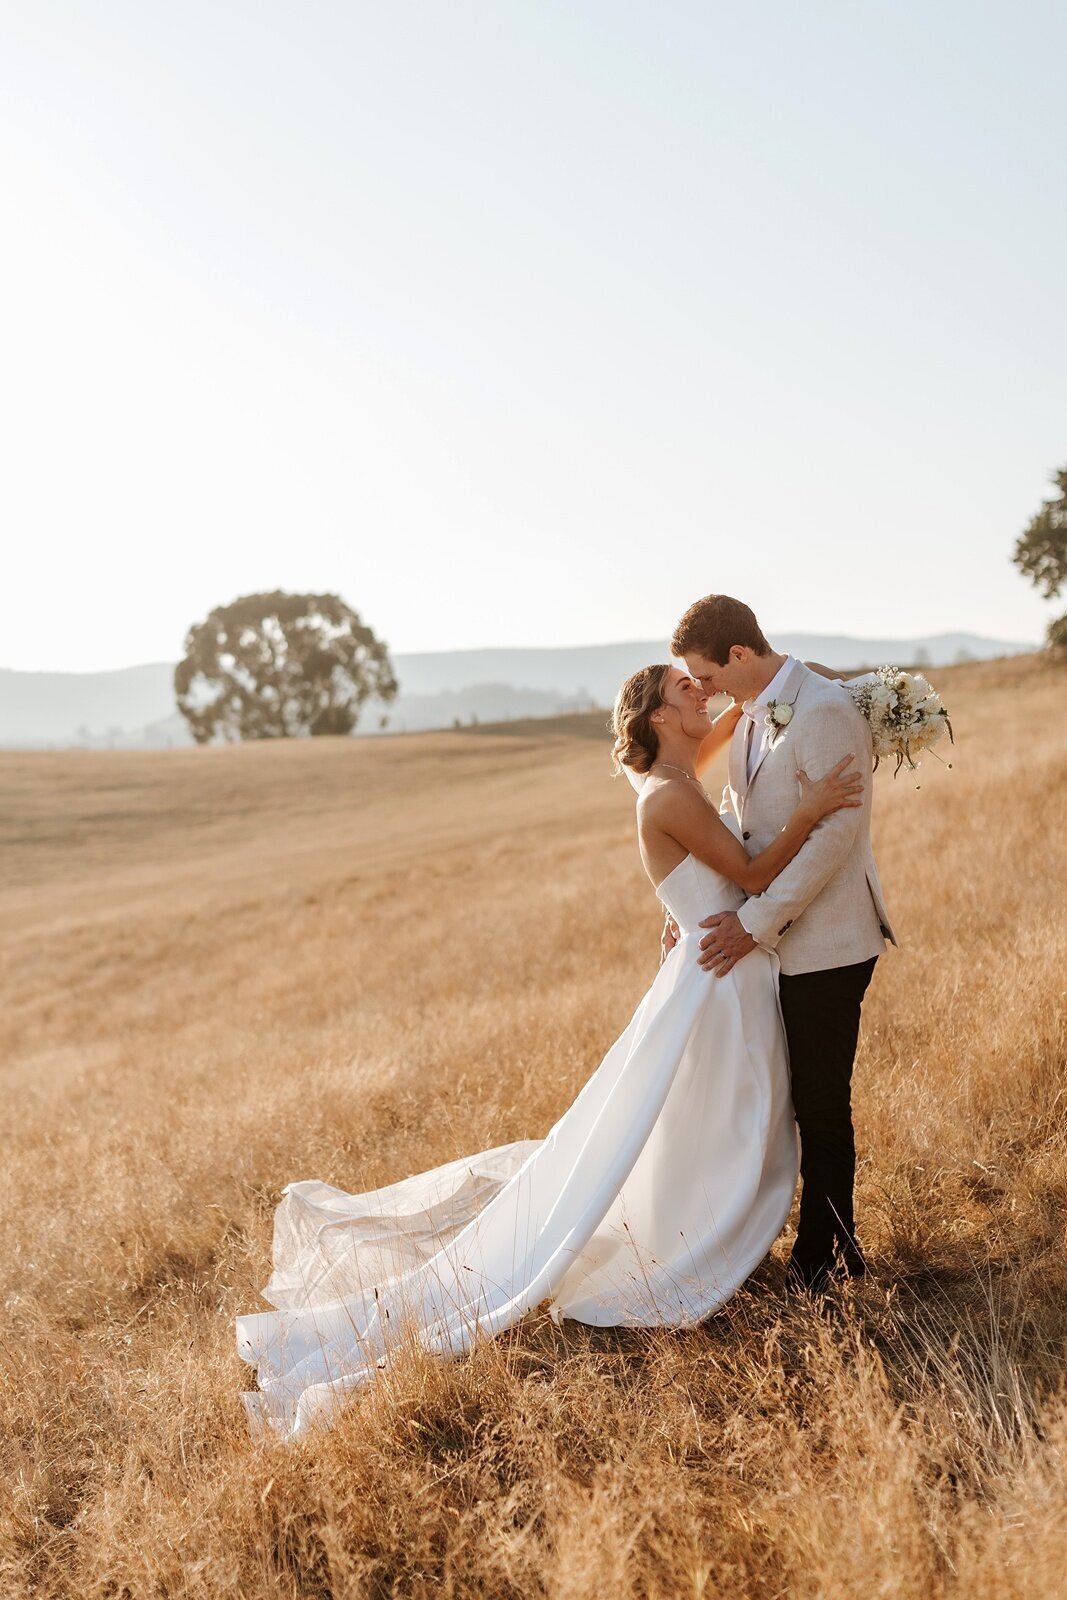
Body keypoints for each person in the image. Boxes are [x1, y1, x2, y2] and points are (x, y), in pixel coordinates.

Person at [235, 665, 862, 1443]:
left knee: (711, 1127)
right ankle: (690, 1255)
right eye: (684, 690)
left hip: (719, 970)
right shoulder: (667, 795)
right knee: (711, 1127)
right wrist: (813, 808)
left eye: (699, 685)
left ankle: (716, 1244)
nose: (702, 696)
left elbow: (760, 693)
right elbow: (754, 872)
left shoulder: (681, 773)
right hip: (715, 979)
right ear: (657, 716)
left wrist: (834, 681)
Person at [671, 594, 897, 1292]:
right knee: (797, 1098)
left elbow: (836, 840)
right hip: (775, 944)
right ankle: (842, 1245)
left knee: (821, 1100)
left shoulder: (825, 710)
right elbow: (749, 832)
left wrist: (753, 923)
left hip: (828, 939)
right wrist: (698, 906)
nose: (703, 691)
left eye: (705, 676)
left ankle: (817, 1259)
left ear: (738, 654)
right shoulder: (747, 719)